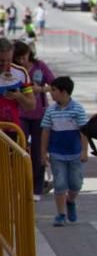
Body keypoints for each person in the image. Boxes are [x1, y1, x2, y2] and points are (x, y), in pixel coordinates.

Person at [40, 76, 89, 227]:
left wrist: (84, 151)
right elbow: (46, 132)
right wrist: (43, 153)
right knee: (60, 183)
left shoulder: (77, 109)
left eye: (53, 90)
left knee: (76, 183)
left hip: (75, 154)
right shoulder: (50, 111)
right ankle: (61, 214)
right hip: (57, 154)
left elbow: (84, 132)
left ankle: (71, 201)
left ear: (64, 92)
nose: (51, 93)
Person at [13, 41, 55, 200]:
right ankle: (19, 184)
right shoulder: (14, 70)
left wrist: (42, 89)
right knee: (19, 149)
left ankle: (37, 187)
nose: (22, 61)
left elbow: (53, 83)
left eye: (24, 57)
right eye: (19, 58)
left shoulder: (40, 66)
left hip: (40, 114)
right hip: (19, 114)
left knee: (39, 151)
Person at [0, 37, 35, 130]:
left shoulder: (20, 72)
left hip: (12, 129)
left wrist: (19, 96)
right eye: (1, 61)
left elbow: (31, 106)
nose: (5, 64)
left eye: (8, 60)